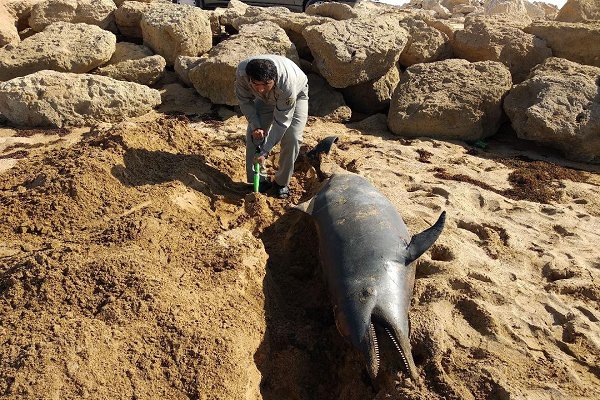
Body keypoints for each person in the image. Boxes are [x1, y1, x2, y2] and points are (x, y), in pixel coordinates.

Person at [234, 54, 309, 199]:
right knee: (253, 135)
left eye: (265, 84)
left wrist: (265, 151)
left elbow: (281, 122)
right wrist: (256, 126)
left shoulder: (287, 84)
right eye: (256, 84)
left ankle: (281, 183)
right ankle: (259, 180)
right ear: (250, 78)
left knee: (292, 138)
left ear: (273, 79)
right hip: (265, 100)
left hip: (296, 95)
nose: (261, 89)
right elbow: (244, 101)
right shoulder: (243, 73)